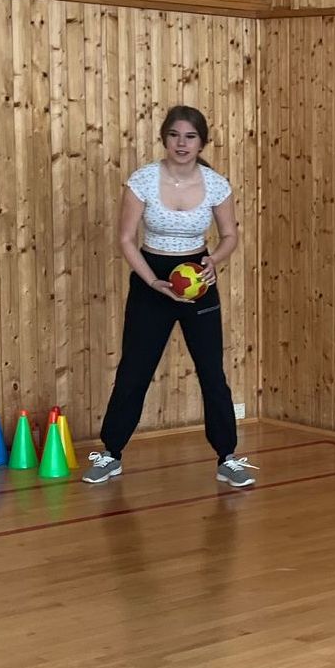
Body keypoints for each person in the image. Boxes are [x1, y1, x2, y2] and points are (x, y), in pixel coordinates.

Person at [83, 105, 257, 488]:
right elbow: (126, 239)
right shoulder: (143, 180)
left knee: (212, 372)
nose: (182, 143)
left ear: (201, 143)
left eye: (190, 136)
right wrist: (151, 281)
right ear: (164, 138)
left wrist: (214, 261)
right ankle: (111, 454)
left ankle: (227, 457)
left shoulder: (216, 185)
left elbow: (230, 235)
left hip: (198, 279)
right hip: (153, 278)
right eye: (175, 135)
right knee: (134, 370)